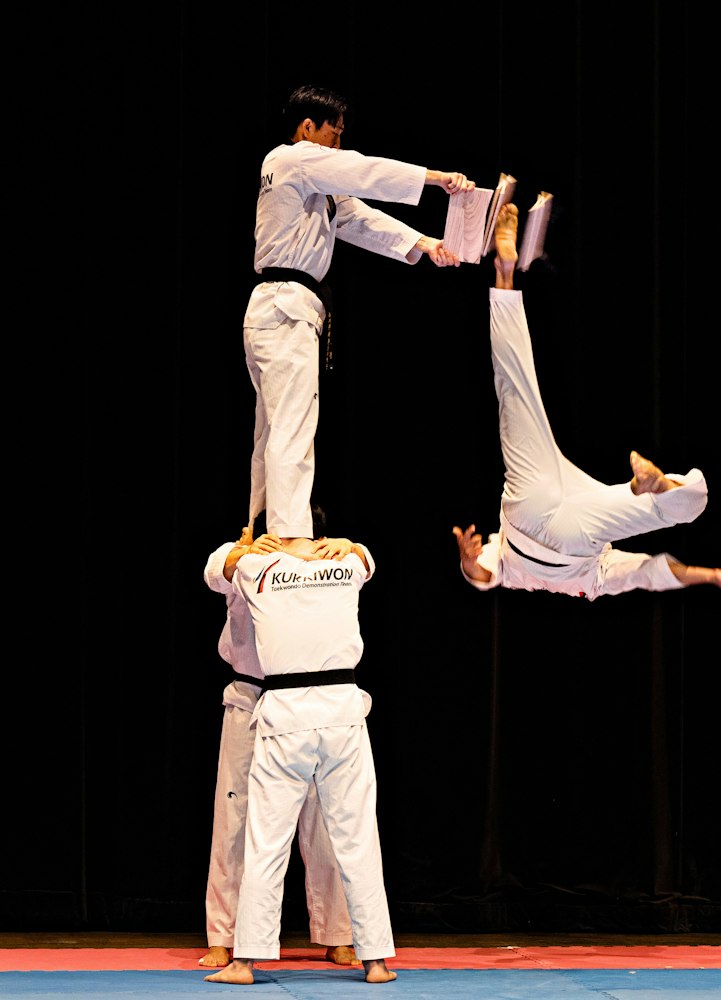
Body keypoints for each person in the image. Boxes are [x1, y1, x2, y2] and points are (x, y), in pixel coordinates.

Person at [452, 204, 721, 610]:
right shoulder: (580, 578)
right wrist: (712, 576)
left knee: (671, 509)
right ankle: (503, 272)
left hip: (559, 527)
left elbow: (484, 574)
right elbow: (650, 574)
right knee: (514, 392)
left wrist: (470, 564)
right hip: (539, 514)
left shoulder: (586, 582)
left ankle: (659, 490)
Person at [246, 83, 475, 539]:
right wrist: (436, 178)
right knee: (291, 425)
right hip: (284, 304)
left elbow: (358, 218)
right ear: (307, 127)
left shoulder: (312, 182)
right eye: (335, 132)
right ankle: (289, 537)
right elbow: (361, 170)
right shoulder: (290, 158)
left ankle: (257, 528)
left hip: (281, 307)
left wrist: (427, 245)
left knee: (273, 429)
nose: (339, 142)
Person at [204, 522, 395, 986]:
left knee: (268, 840)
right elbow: (368, 560)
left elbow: (221, 567)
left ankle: (246, 960)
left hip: (286, 712)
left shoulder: (256, 566)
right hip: (337, 710)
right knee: (357, 836)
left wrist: (245, 551)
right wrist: (352, 546)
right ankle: (378, 962)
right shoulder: (344, 563)